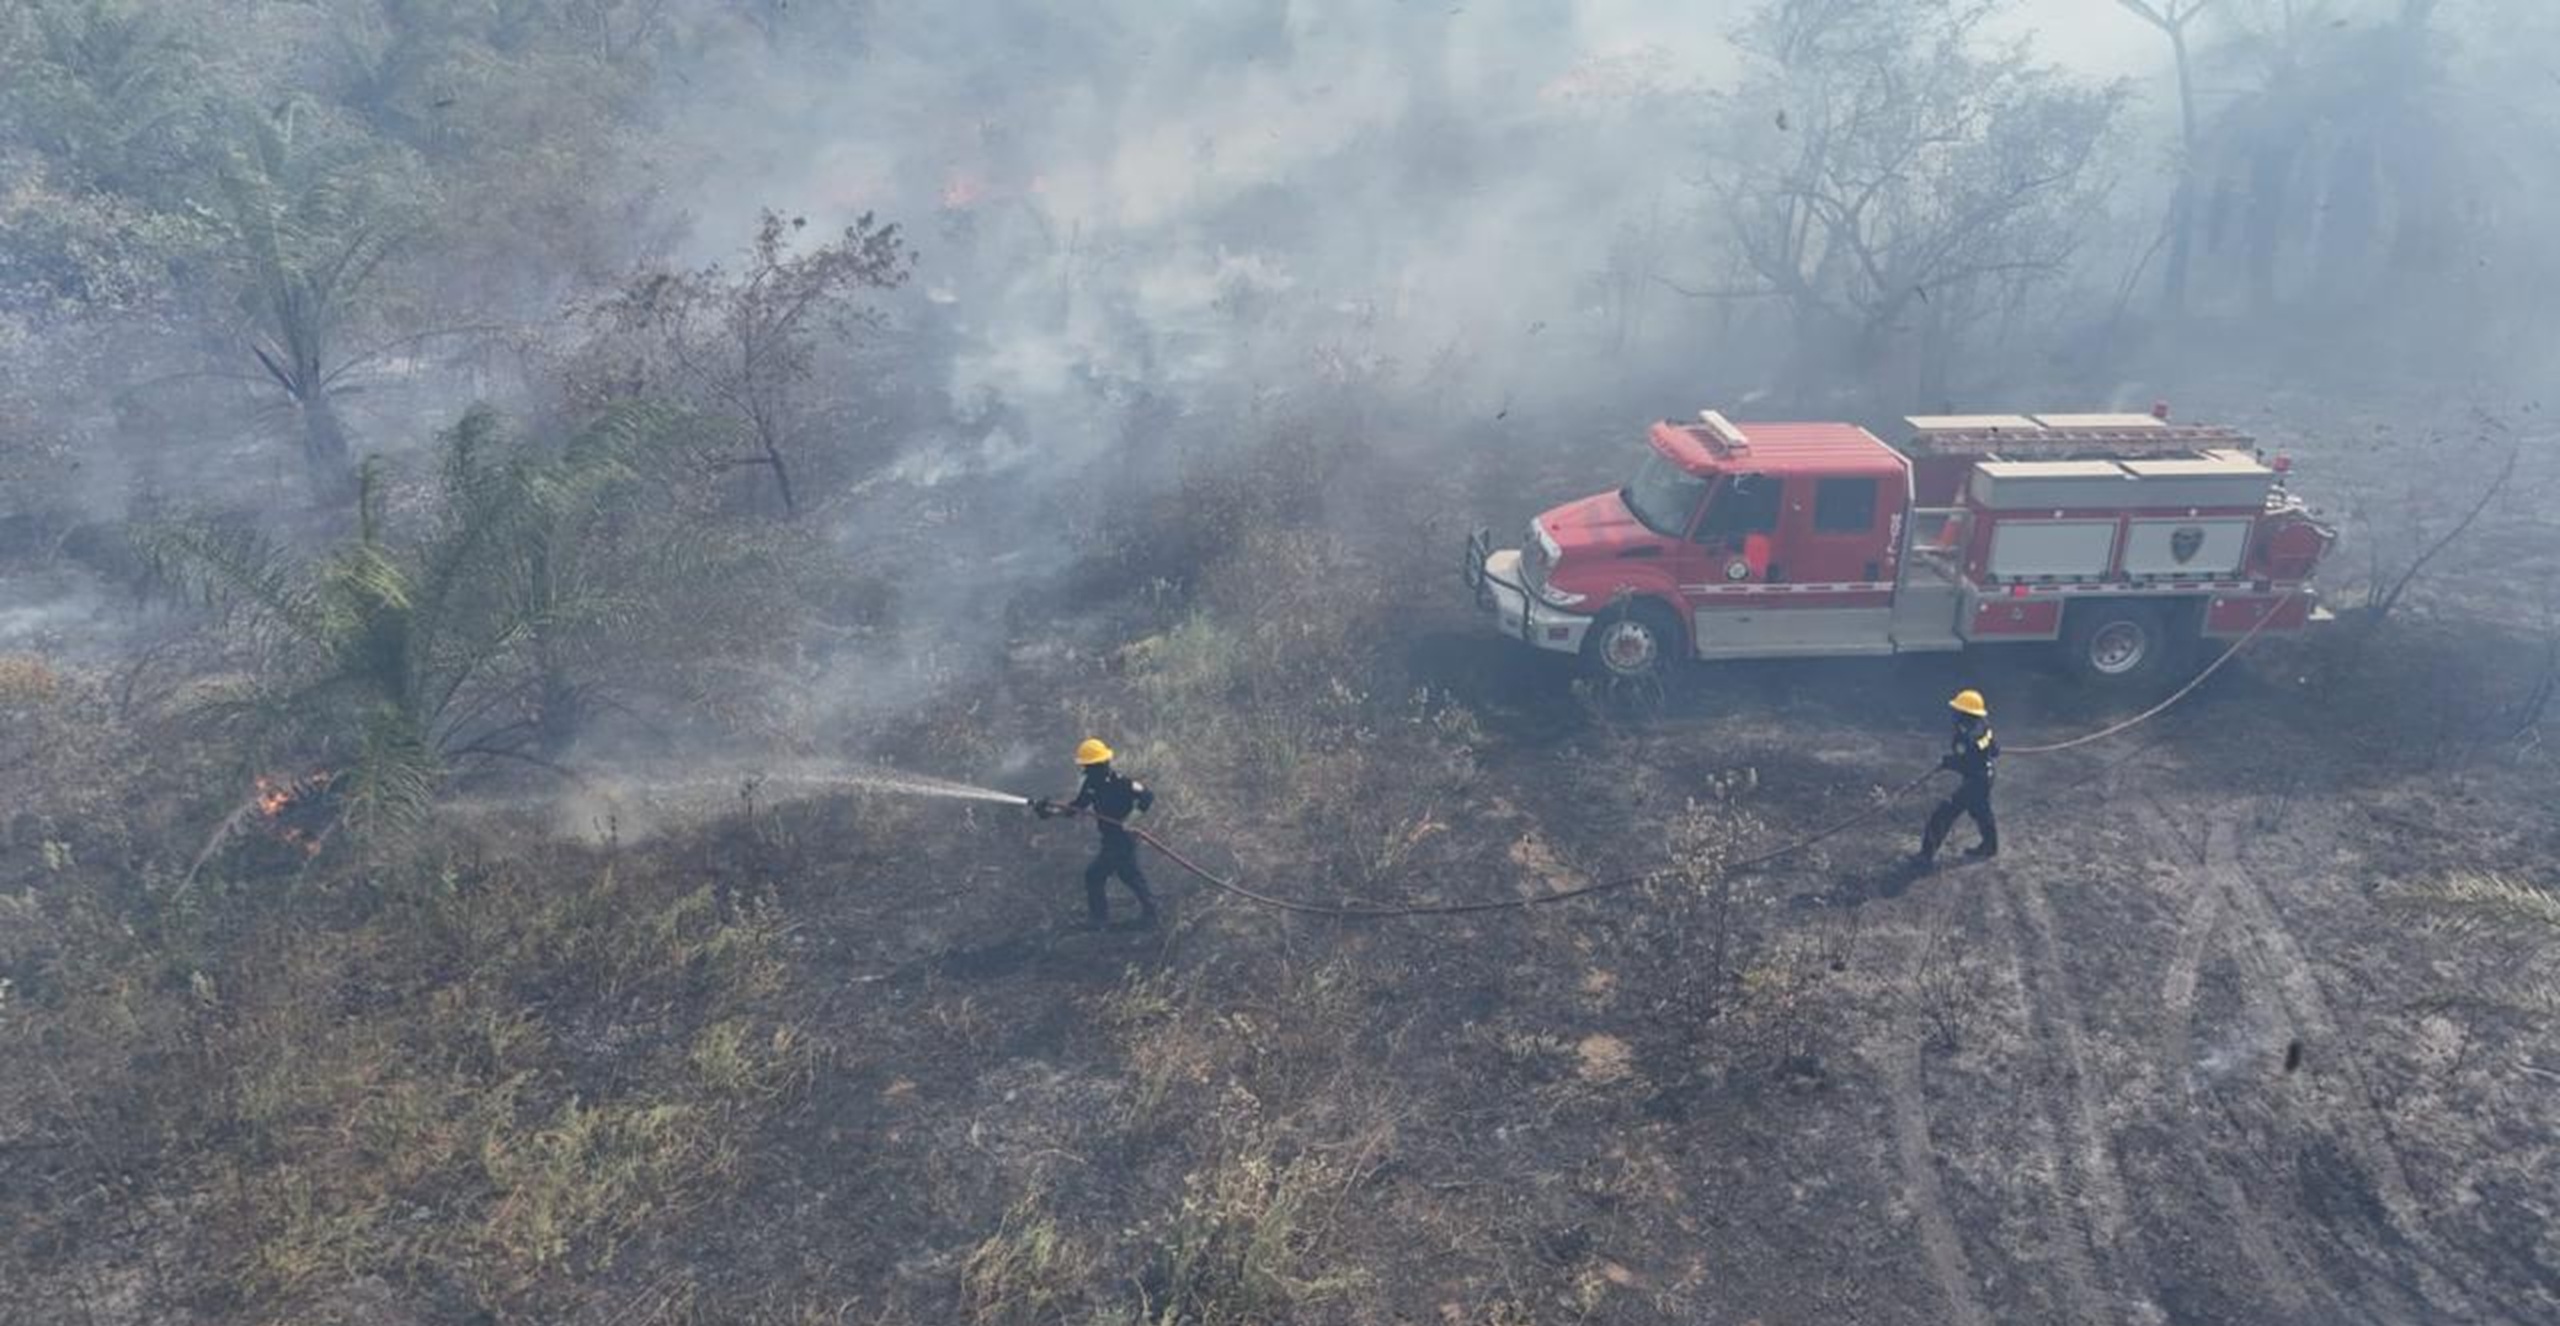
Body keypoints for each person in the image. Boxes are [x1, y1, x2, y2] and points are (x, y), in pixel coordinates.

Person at [1034, 738, 1159, 928]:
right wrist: (1049, 812)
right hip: (1110, 838)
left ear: (1101, 765)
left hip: (1121, 839)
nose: (1085, 770)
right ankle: (1149, 914)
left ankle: (1101, 920)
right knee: (1128, 875)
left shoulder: (1122, 782)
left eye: (1089, 766)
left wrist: (1129, 820)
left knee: (1096, 875)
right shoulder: (1092, 785)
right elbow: (1076, 808)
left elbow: (1147, 796)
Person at [1917, 689, 1999, 869]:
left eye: (1957, 711)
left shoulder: (1963, 737)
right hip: (1987, 775)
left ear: (1964, 714)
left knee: (1943, 814)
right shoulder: (1984, 725)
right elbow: (1995, 750)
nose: (1953, 715)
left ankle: (1925, 856)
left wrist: (1948, 762)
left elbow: (1965, 763)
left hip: (1975, 782)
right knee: (1981, 812)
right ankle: (1990, 846)